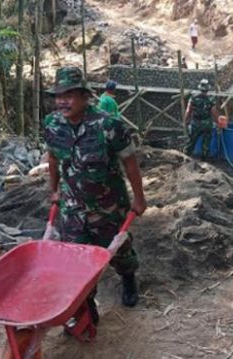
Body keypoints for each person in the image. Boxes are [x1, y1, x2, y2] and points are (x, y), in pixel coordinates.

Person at [44, 66, 147, 317]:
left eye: (69, 95)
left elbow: (129, 162)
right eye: (58, 95)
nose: (62, 101)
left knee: (118, 251)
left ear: (84, 96)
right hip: (72, 207)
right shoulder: (52, 124)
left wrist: (139, 198)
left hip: (108, 205)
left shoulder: (108, 125)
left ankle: (128, 278)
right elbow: (53, 158)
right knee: (76, 258)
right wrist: (55, 190)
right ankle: (86, 304)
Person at [184, 79, 219, 160]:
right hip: (207, 123)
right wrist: (217, 121)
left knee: (191, 141)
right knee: (206, 142)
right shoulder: (211, 98)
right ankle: (204, 159)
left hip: (195, 123)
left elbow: (188, 110)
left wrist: (186, 120)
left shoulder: (193, 98)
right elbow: (214, 111)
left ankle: (186, 157)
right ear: (208, 89)